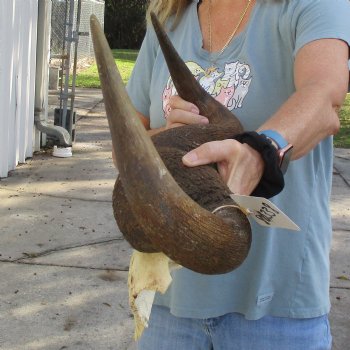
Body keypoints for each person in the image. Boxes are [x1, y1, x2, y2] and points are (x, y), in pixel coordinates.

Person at [123, 0, 350, 348]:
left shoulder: (309, 5)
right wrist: (171, 138)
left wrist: (262, 151)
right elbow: (125, 142)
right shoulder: (168, 19)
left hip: (275, 311)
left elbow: (324, 97)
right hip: (168, 302)